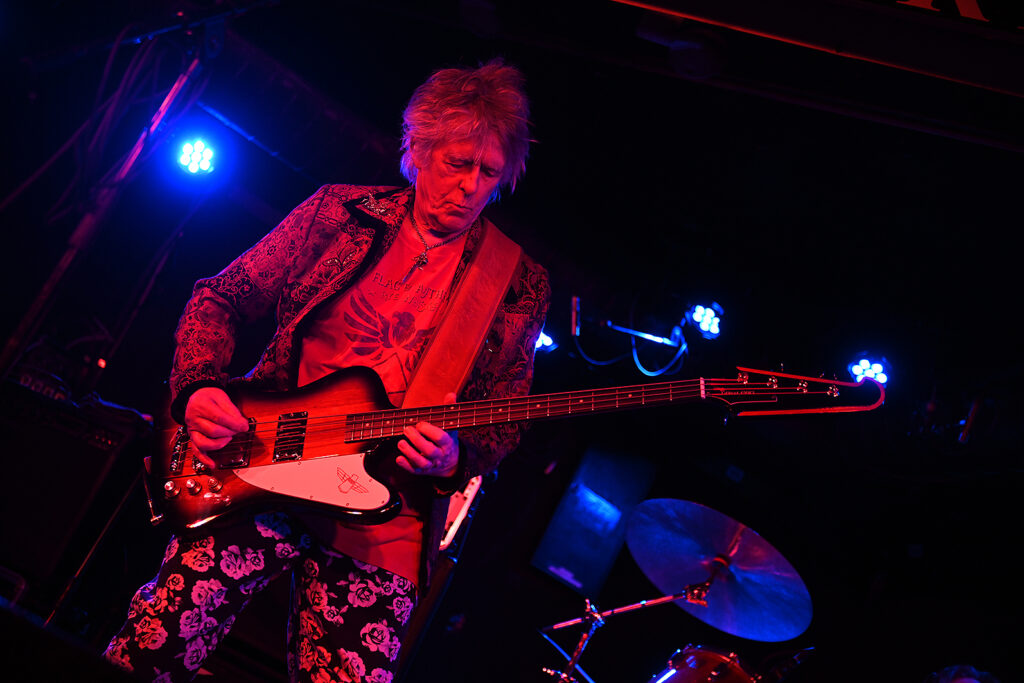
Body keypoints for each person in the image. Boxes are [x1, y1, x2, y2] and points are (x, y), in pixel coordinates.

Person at [103, 59, 550, 683]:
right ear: (419, 151)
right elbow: (220, 298)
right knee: (156, 645)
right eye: (457, 163)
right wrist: (198, 386)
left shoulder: (519, 283)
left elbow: (505, 418)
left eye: (490, 172)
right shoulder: (340, 213)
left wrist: (456, 456)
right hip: (260, 463)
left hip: (388, 517)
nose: (471, 186)